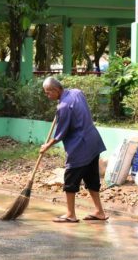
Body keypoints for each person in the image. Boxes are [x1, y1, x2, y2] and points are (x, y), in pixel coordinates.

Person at [40, 76, 108, 223]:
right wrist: (61, 103)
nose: (47, 95)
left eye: (48, 92)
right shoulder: (77, 93)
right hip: (93, 141)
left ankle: (70, 214)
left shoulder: (63, 106)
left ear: (56, 90)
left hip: (80, 146)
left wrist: (47, 146)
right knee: (91, 178)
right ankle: (99, 212)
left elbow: (60, 133)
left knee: (70, 180)